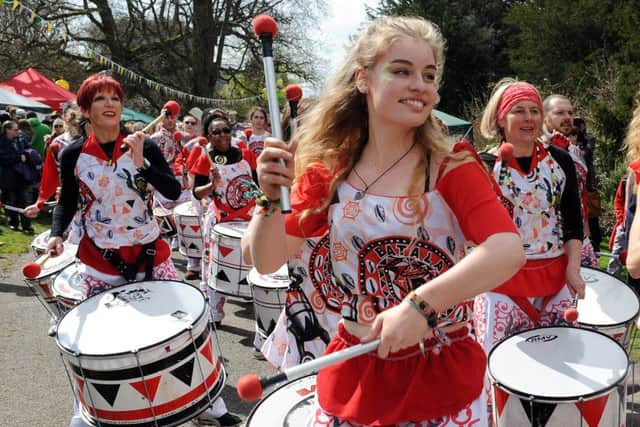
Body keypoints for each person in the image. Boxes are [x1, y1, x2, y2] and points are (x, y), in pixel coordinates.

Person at [242, 16, 525, 426]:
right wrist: (268, 198)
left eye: (428, 75)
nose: (420, 85)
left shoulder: (451, 165)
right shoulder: (330, 169)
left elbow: (507, 249)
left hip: (439, 372)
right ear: (363, 79)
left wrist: (420, 307)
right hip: (356, 369)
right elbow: (267, 260)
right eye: (401, 71)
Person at [474, 80, 585, 355]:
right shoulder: (482, 165)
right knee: (500, 370)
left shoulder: (560, 160)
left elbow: (573, 221)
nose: (528, 118)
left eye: (534, 110)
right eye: (518, 111)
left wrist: (573, 267)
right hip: (500, 284)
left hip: (555, 281)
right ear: (501, 119)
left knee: (563, 366)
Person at [189, 114, 257, 305]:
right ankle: (214, 308)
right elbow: (197, 193)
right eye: (216, 132)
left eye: (226, 131)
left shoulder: (247, 155)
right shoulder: (205, 158)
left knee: (250, 261)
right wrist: (212, 184)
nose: (222, 135)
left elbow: (259, 185)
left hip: (247, 218)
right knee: (214, 264)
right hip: (220, 219)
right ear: (209, 137)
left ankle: (251, 292)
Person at [24, 105, 87, 218]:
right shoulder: (57, 144)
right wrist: (40, 202)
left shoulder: (99, 140)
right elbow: (50, 177)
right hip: (69, 201)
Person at [0, 120, 34, 232]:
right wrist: (18, 158)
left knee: (24, 201)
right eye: (15, 129)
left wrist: (28, 155)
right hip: (8, 176)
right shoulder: (2, 141)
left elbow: (28, 150)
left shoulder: (21, 139)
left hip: (22, 176)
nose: (18, 131)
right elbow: (3, 159)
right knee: (11, 201)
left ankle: (27, 226)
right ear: (7, 130)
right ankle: (13, 223)